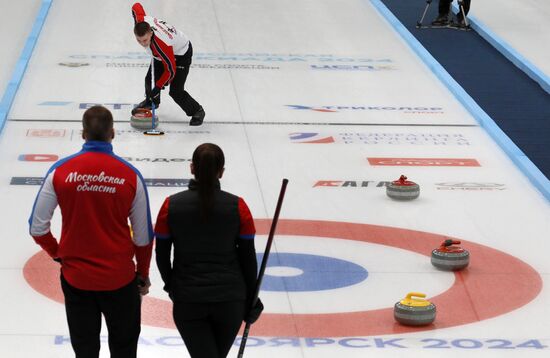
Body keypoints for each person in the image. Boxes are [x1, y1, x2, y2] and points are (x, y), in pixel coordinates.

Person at [28, 105, 154, 358]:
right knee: (124, 348)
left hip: (78, 279)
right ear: (113, 133)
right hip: (119, 280)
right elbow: (143, 236)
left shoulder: (60, 172)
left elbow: (37, 228)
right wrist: (142, 273)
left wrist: (59, 254)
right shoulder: (130, 175)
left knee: (85, 349)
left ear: (83, 134)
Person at [154, 143, 264, 358]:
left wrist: (172, 286)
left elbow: (162, 255)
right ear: (221, 172)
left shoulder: (171, 206)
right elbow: (248, 259)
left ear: (192, 168)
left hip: (188, 299)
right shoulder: (238, 207)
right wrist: (252, 297)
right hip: (230, 301)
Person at [131, 2, 205, 126]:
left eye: (145, 40)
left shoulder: (161, 45)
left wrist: (159, 86)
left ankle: (197, 111)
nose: (143, 44)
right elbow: (136, 6)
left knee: (175, 91)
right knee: (149, 79)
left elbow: (170, 70)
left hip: (181, 53)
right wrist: (154, 89)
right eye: (139, 41)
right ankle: (152, 102)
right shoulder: (141, 22)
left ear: (150, 33)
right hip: (162, 52)